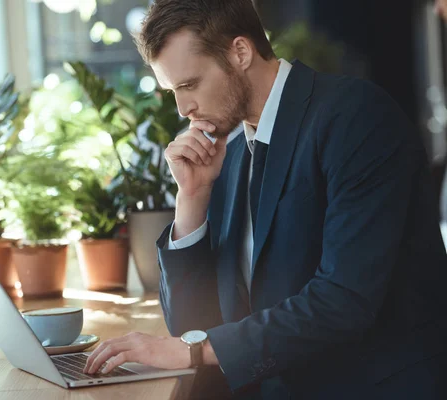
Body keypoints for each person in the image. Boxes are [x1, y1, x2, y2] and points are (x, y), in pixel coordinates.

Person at [83, 0, 447, 398]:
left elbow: (343, 302)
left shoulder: (355, 117)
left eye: (189, 85)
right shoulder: (230, 150)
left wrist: (194, 350)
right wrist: (191, 198)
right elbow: (190, 327)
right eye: (173, 91)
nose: (183, 108)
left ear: (240, 52)